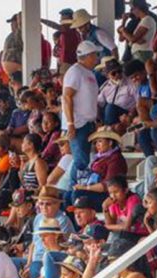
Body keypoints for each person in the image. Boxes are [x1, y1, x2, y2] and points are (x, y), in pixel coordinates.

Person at [62, 40, 101, 186]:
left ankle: (77, 186)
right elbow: (67, 97)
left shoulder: (89, 73)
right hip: (78, 123)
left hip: (88, 121)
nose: (97, 58)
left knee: (85, 158)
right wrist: (70, 123)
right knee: (81, 160)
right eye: (94, 55)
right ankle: (73, 188)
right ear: (87, 56)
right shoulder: (75, 71)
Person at [71, 127, 127, 211]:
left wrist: (85, 188)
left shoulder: (116, 159)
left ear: (110, 142)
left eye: (100, 141)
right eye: (96, 142)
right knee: (68, 195)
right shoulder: (98, 158)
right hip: (94, 191)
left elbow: (106, 186)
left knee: (78, 194)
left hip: (107, 196)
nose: (97, 144)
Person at [97, 57, 138, 130]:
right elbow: (99, 103)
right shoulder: (106, 87)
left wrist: (130, 115)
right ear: (108, 76)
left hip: (127, 112)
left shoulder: (130, 83)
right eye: (113, 73)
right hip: (111, 115)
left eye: (119, 71)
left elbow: (138, 100)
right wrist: (98, 119)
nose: (117, 75)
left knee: (110, 108)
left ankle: (109, 130)